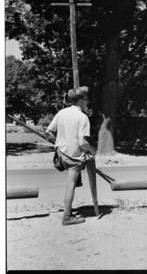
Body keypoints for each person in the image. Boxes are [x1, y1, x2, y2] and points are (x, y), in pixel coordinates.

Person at [46, 86, 97, 225]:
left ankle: (69, 212)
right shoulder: (82, 117)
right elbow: (82, 142)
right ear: (80, 101)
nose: (88, 102)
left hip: (61, 153)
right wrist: (93, 151)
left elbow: (48, 132)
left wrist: (58, 142)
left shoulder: (61, 113)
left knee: (71, 184)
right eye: (86, 100)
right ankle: (67, 217)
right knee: (70, 185)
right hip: (74, 157)